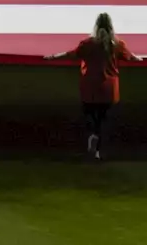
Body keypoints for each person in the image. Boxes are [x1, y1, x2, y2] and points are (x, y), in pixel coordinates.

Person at [44, 13, 140, 160]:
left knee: (90, 117)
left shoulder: (87, 44)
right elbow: (131, 57)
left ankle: (92, 138)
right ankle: (98, 151)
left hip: (90, 87)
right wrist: (138, 58)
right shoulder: (117, 44)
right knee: (103, 120)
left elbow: (72, 54)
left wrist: (54, 56)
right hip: (109, 89)